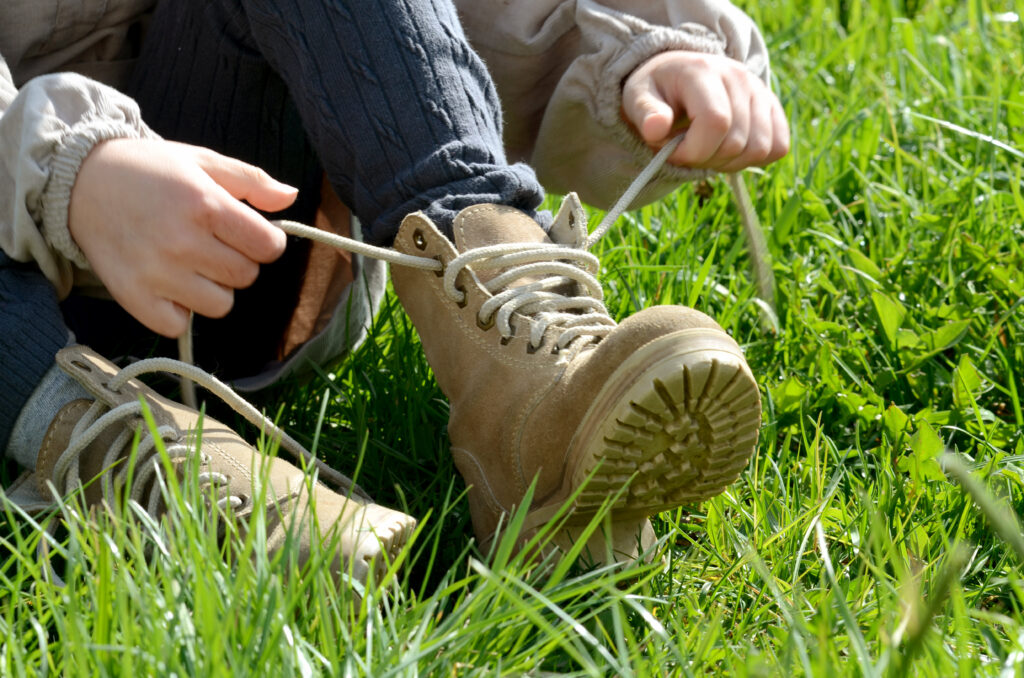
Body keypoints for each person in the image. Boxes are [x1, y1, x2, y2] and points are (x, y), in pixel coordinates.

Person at [0, 0, 788, 584]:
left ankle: (529, 400)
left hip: (238, 249)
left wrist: (626, 51)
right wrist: (63, 170)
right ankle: (115, 453)